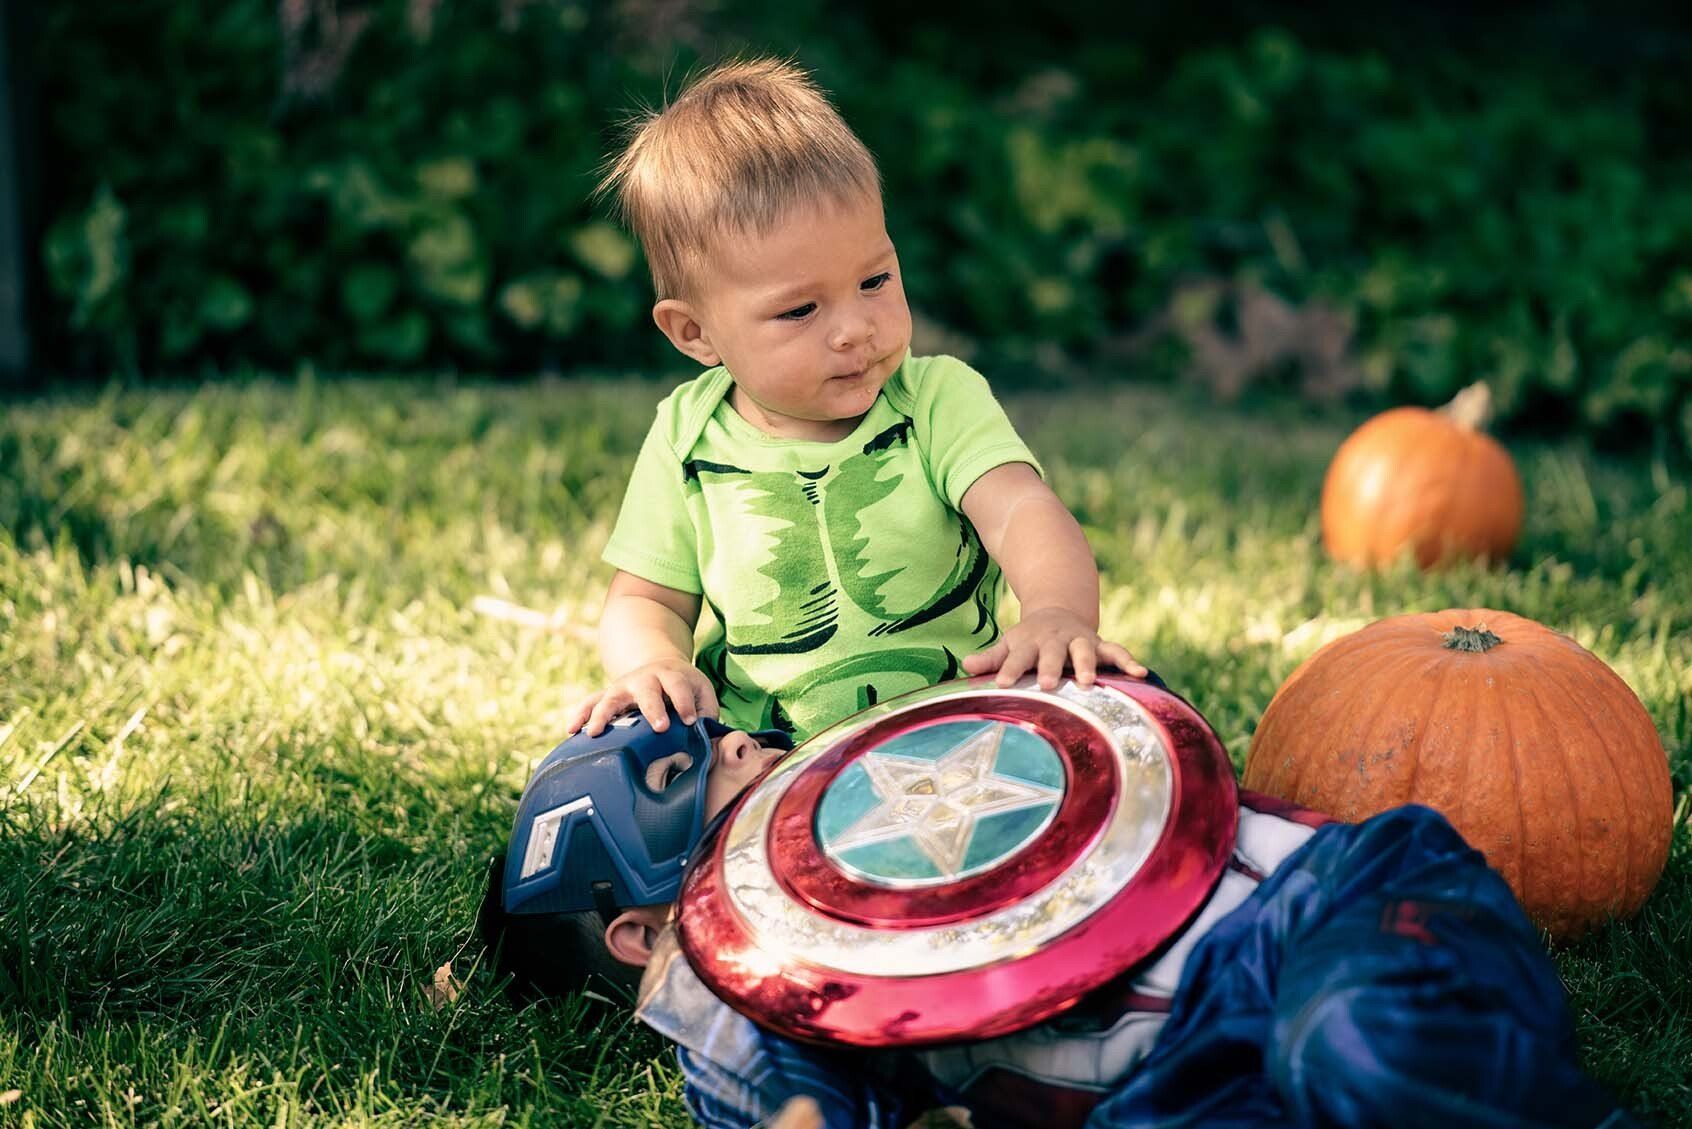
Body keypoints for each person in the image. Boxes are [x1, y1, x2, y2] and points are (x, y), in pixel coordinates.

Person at [479, 709, 1642, 1129]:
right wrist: (728, 979)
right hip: (1176, 1084)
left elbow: (1102, 742)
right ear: (637, 934)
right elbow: (793, 1106)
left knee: (1351, 1042)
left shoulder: (893, 765)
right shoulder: (790, 1008)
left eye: (708, 728)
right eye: (677, 779)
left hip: (1324, 909)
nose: (732, 738)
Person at [562, 56, 1143, 745]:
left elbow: (1022, 511)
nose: (854, 329)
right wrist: (653, 661)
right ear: (695, 332)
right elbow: (645, 598)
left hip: (955, 727)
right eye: (801, 309)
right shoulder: (687, 437)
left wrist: (1055, 610)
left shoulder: (934, 400)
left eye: (874, 280)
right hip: (771, 762)